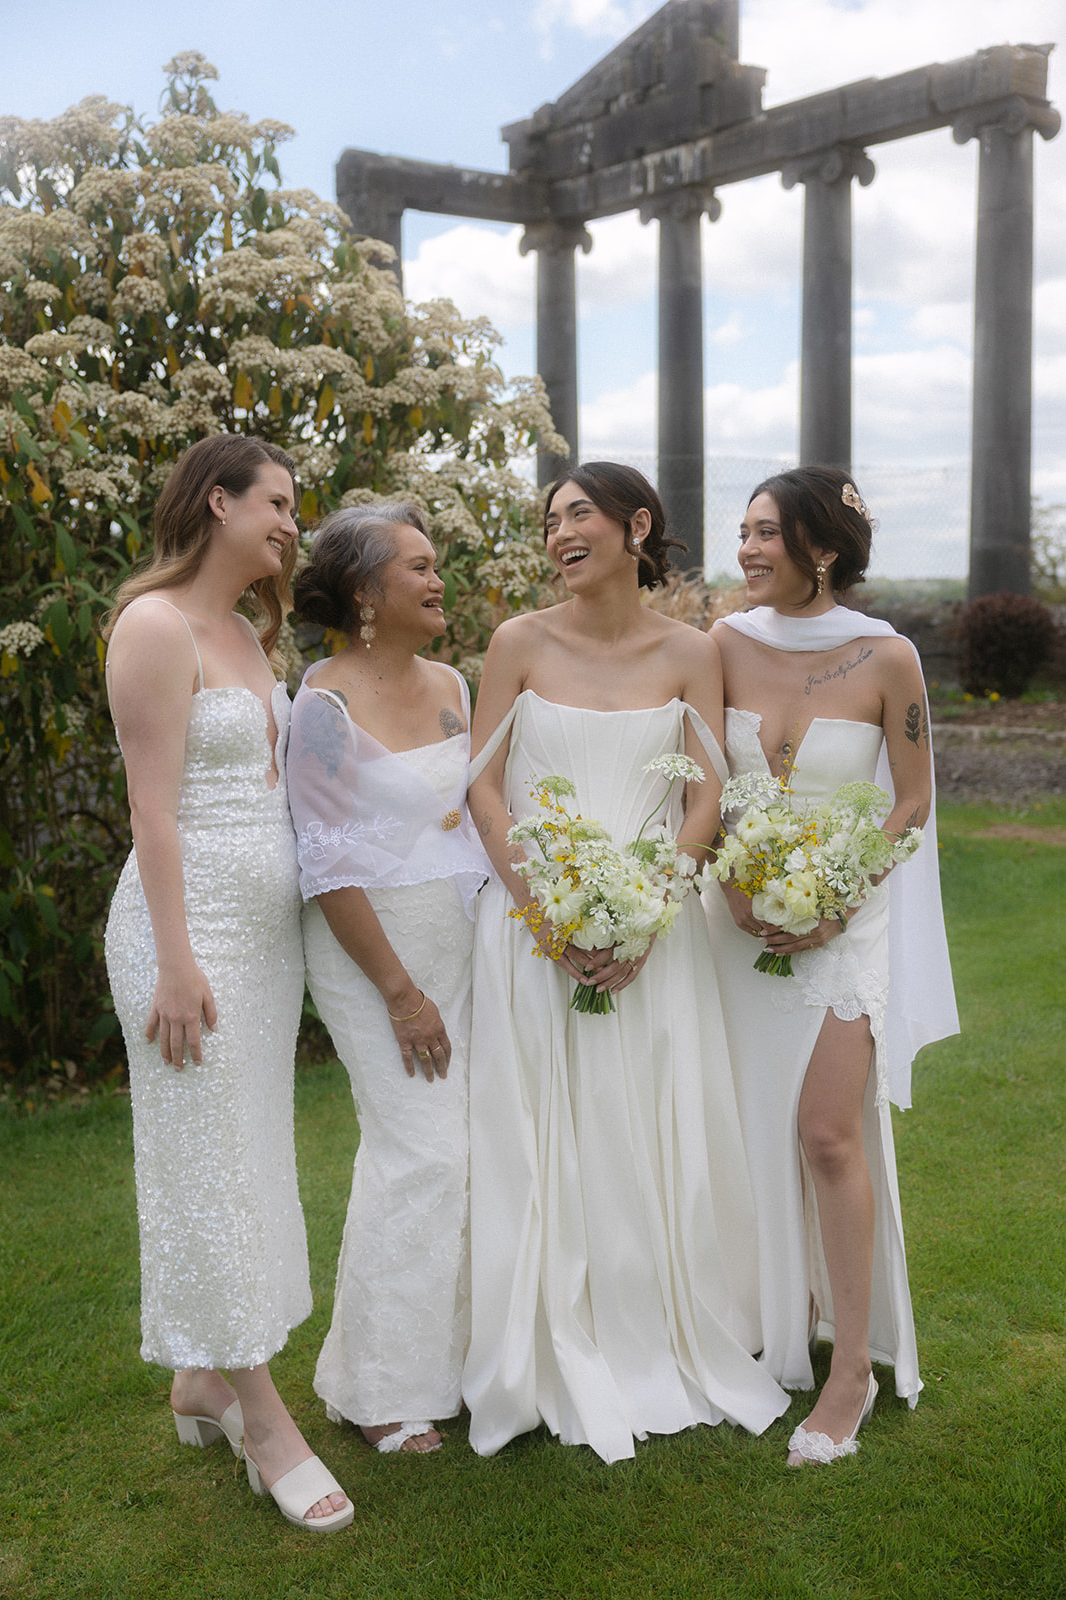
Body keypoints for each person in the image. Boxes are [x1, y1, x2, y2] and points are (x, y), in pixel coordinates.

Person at [462, 462, 790, 1464]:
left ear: (634, 525)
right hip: (533, 929)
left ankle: (658, 1322)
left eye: (577, 515)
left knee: (650, 1117)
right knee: (543, 1135)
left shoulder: (692, 650)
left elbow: (703, 795)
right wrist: (548, 920)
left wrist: (645, 910)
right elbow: (481, 791)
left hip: (655, 929)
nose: (558, 532)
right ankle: (541, 1337)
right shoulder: (516, 642)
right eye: (548, 519)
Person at [103, 434, 352, 1531]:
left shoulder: (252, 635)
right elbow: (153, 808)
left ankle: (201, 1380)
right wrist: (174, 960)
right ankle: (262, 1418)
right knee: (203, 1160)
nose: (292, 523)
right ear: (218, 500)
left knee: (246, 1159)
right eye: (279, 503)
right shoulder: (152, 625)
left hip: (263, 945)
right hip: (183, 938)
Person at [705, 465, 958, 1465]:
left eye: (766, 533)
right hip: (733, 923)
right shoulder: (722, 644)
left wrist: (833, 900)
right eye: (742, 531)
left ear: (819, 546)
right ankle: (771, 1314)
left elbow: (909, 800)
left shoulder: (887, 657)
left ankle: (850, 1366)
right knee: (744, 1125)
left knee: (824, 1134)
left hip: (844, 923)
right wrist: (730, 888)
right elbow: (700, 773)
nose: (747, 549)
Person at [286, 503, 489, 1455]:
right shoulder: (320, 709)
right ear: (366, 591)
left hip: (468, 943)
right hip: (376, 958)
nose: (437, 579)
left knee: (474, 1151)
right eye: (418, 566)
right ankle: (377, 1388)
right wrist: (402, 995)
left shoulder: (454, 681)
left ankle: (459, 1364)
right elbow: (329, 867)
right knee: (421, 1153)